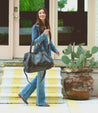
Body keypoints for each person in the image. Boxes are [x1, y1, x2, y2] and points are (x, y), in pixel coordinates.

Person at [18, 8, 60, 107]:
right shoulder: (35, 27)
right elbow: (35, 42)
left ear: (46, 14)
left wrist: (55, 50)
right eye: (40, 13)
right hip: (40, 56)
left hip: (46, 56)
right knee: (41, 78)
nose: (42, 14)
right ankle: (40, 101)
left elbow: (50, 42)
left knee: (40, 77)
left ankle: (24, 94)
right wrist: (43, 35)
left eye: (43, 13)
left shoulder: (46, 26)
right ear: (38, 15)